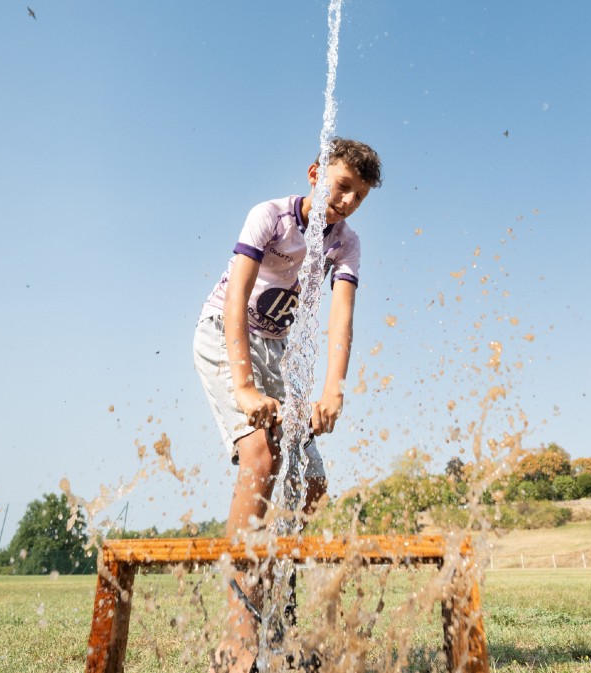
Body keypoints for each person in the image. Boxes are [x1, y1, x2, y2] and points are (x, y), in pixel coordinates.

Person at [193, 138, 382, 673]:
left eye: (359, 195)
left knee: (314, 484)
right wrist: (247, 387)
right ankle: (235, 637)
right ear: (316, 173)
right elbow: (235, 301)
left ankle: (280, 611)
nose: (346, 200)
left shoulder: (346, 244)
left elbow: (341, 318)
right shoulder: (270, 218)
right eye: (341, 185)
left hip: (276, 355)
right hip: (226, 339)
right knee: (261, 459)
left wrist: (332, 389)